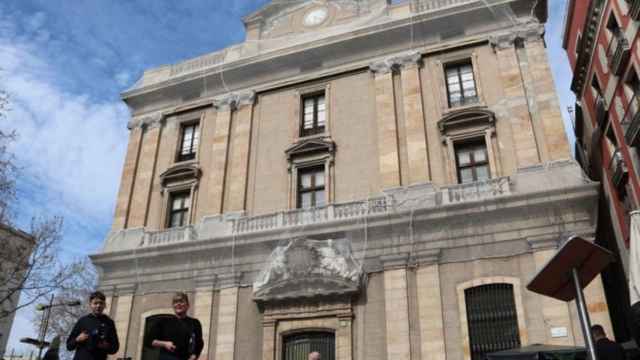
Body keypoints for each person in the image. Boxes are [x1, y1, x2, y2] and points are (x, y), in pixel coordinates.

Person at [148, 292, 204, 360]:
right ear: (173, 306)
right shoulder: (163, 321)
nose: (178, 304)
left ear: (188, 305)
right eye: (175, 302)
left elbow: (199, 343)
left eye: (181, 301)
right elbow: (149, 340)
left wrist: (194, 356)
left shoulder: (195, 323)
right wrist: (165, 344)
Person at [66, 291, 119, 360]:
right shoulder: (83, 321)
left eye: (101, 303)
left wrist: (106, 346)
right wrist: (77, 339)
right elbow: (69, 346)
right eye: (95, 303)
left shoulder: (109, 323)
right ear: (90, 304)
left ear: (104, 305)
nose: (98, 306)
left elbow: (115, 347)